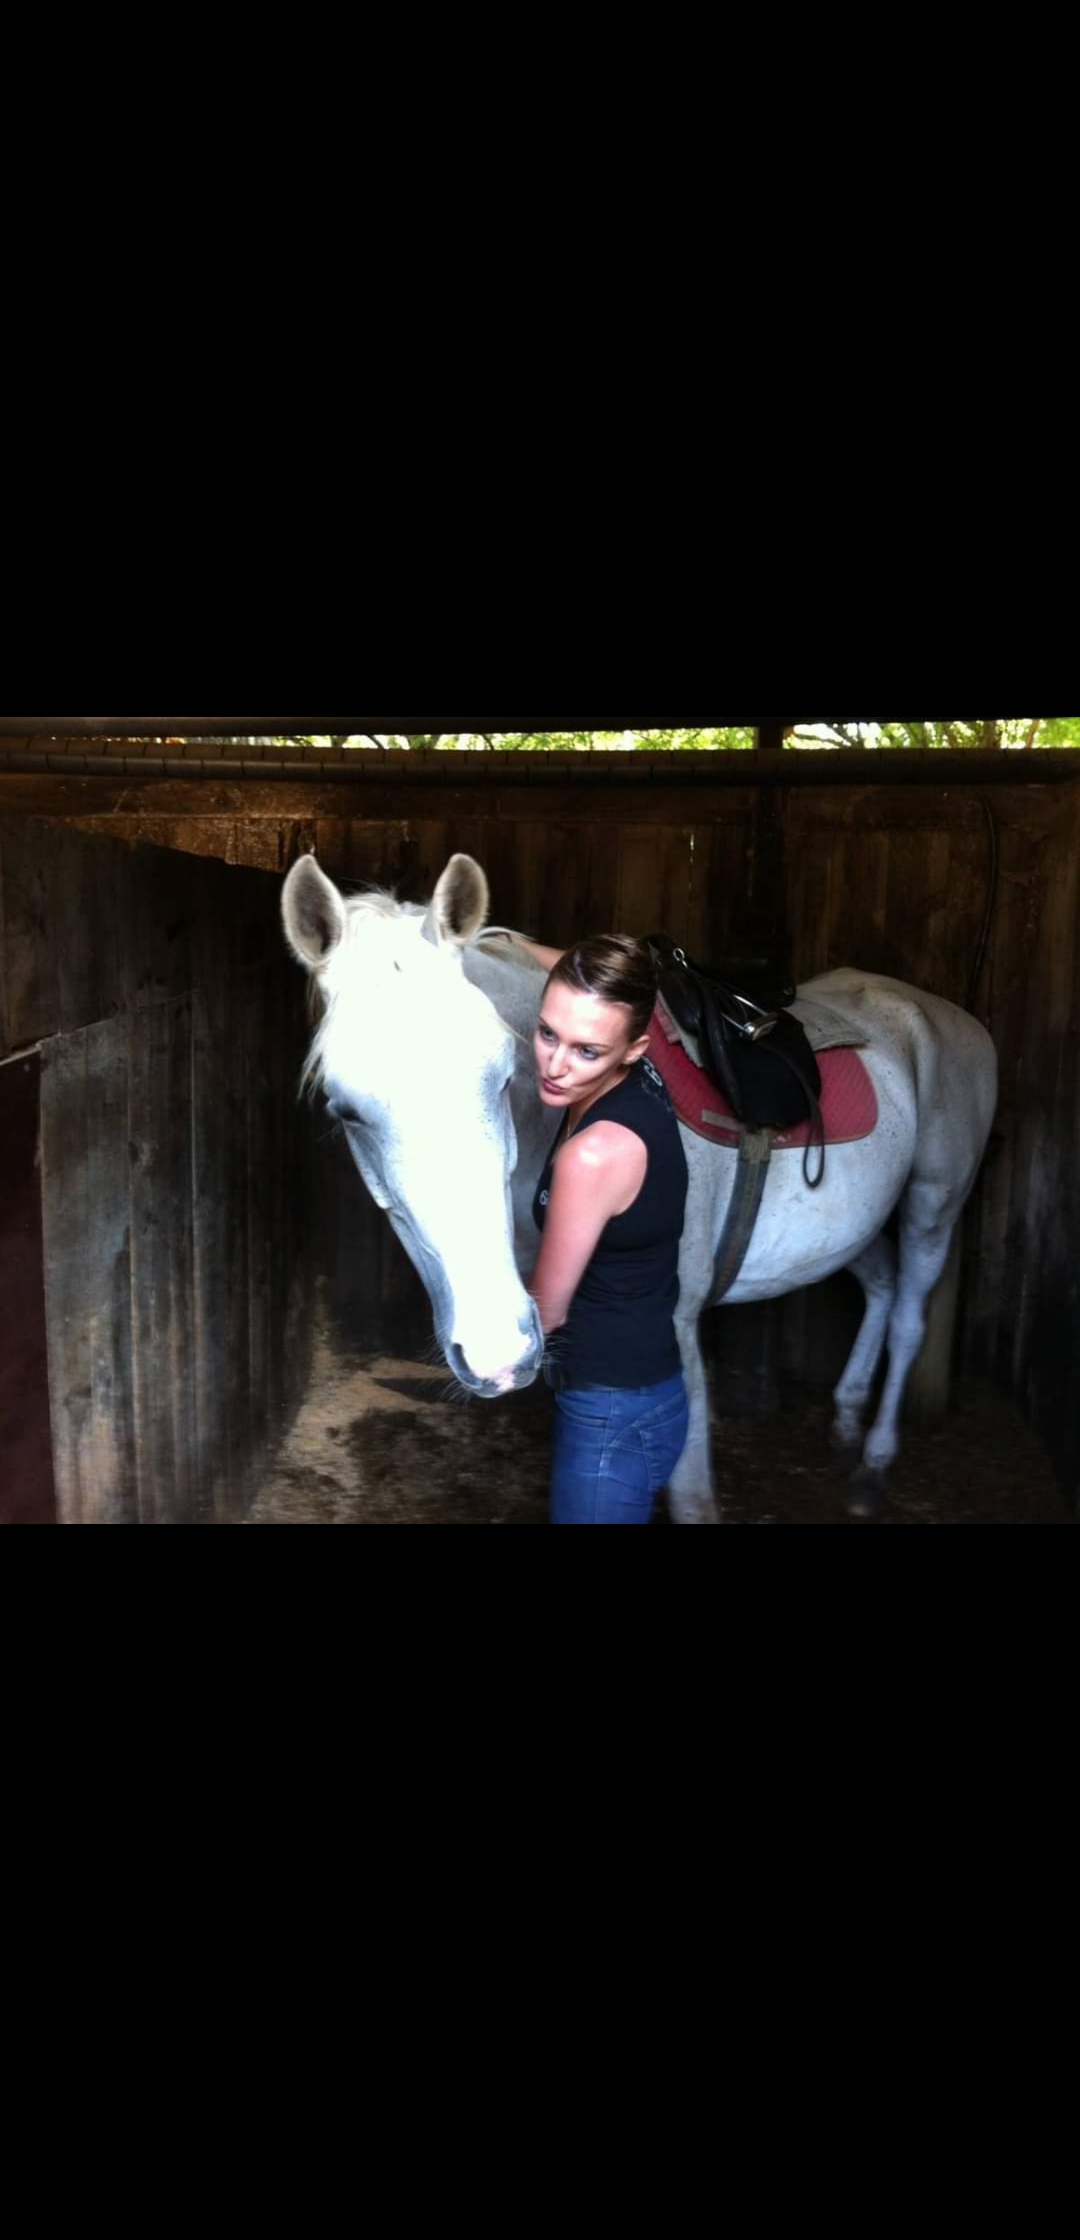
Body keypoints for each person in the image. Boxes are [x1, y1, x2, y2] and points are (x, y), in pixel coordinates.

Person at [519, 934, 690, 1526]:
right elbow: (602, 982)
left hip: (611, 1413)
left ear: (634, 1048)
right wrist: (512, 943)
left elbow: (546, 1313)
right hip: (641, 1395)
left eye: (586, 1050)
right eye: (547, 1034)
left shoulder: (593, 1154)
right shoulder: (635, 1086)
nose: (556, 1065)